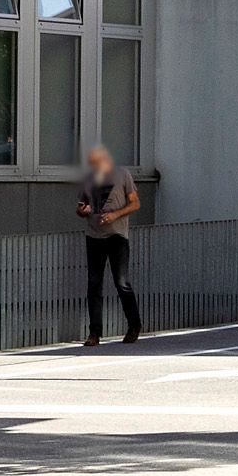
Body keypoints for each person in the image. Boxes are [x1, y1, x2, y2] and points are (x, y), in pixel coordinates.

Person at [77, 145, 142, 347]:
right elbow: (80, 207)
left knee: (121, 282)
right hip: (94, 235)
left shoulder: (122, 174)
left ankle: (134, 325)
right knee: (93, 284)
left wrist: (115, 214)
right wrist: (84, 210)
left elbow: (135, 203)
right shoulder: (88, 179)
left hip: (116, 235)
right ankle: (94, 333)